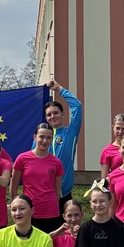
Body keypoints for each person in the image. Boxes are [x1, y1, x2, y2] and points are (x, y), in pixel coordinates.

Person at [10, 122, 65, 233]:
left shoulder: (56, 162)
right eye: (41, 137)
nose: (45, 141)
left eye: (48, 138)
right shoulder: (22, 158)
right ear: (35, 137)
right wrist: (17, 207)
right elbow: (13, 187)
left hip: (50, 211)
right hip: (29, 212)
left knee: (48, 242)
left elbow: (57, 191)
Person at [44, 77, 83, 210]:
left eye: (56, 113)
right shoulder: (41, 139)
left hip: (64, 193)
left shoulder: (70, 133)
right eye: (49, 114)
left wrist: (59, 89)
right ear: (46, 118)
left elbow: (77, 106)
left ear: (63, 114)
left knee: (66, 223)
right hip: (45, 193)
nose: (52, 116)